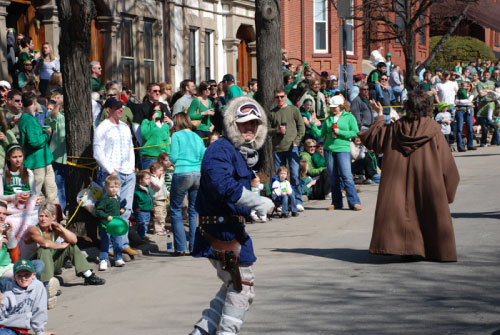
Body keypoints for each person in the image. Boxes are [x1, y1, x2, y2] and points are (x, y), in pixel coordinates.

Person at [189, 96, 274, 335]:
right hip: (220, 232)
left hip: (231, 231)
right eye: (244, 123)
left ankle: (201, 332)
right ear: (232, 124)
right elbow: (221, 184)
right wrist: (256, 201)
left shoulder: (239, 152)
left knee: (235, 285)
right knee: (241, 287)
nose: (249, 128)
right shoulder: (220, 149)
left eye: (254, 124)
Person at [360, 90, 460, 261]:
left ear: (408, 107)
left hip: (398, 183)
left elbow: (373, 140)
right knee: (427, 209)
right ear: (428, 107)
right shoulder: (434, 131)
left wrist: (379, 116)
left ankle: (405, 247)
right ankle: (431, 249)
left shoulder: (395, 129)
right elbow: (448, 168)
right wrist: (447, 193)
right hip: (428, 184)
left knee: (402, 207)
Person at [93, 97, 138, 257]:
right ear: (108, 110)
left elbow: (131, 147)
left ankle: (123, 244)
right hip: (113, 174)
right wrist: (110, 170)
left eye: (122, 107)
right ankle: (110, 246)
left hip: (128, 173)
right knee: (111, 211)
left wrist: (132, 168)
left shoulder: (125, 127)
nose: (121, 109)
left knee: (125, 211)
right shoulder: (102, 128)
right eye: (117, 107)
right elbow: (97, 152)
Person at [23, 203, 106, 284]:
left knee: (70, 245)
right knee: (44, 250)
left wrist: (61, 228)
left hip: (49, 265)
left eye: (46, 216)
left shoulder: (55, 229)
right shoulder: (34, 230)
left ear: (53, 217)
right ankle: (47, 284)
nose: (43, 219)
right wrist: (59, 246)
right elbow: (45, 244)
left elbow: (74, 240)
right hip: (32, 266)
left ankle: (88, 275)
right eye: (41, 216)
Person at [309, 95, 361, 211]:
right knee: (333, 177)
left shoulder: (349, 117)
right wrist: (312, 124)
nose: (333, 109)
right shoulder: (328, 119)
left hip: (343, 149)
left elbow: (355, 133)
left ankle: (354, 202)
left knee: (347, 176)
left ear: (341, 106)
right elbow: (320, 134)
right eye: (331, 107)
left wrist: (340, 132)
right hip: (329, 150)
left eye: (335, 107)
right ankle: (336, 203)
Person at [169, 113, 205, 255]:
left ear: (177, 123)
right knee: (194, 210)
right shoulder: (198, 137)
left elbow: (173, 157)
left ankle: (180, 247)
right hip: (197, 173)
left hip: (182, 172)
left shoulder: (176, 136)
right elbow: (203, 156)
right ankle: (194, 246)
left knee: (175, 209)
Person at [268, 89, 306, 211]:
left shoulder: (293, 110)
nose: (279, 99)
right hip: (278, 148)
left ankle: (297, 201)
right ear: (274, 98)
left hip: (292, 147)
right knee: (280, 177)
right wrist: (277, 131)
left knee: (294, 174)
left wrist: (297, 141)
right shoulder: (272, 113)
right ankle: (280, 202)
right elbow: (267, 129)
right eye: (277, 97)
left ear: (285, 96)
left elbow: (301, 127)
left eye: (282, 96)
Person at [18, 93, 58, 205]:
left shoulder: (28, 118)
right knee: (35, 197)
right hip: (36, 163)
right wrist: (47, 134)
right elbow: (33, 142)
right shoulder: (27, 119)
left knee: (52, 193)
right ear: (35, 103)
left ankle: (57, 218)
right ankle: (36, 220)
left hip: (44, 160)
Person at [0, 259, 55, 335]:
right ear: (14, 277)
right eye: (19, 275)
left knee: (39, 263)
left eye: (27, 274)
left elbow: (40, 311)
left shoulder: (38, 287)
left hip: (21, 330)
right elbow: (1, 315)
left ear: (33, 275)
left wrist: (40, 332)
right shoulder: (9, 294)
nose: (23, 278)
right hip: (5, 327)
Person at [95, 175, 126, 271]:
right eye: (111, 187)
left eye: (116, 187)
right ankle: (103, 259)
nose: (114, 189)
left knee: (118, 242)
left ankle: (118, 258)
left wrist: (122, 209)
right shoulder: (104, 198)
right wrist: (106, 216)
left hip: (116, 225)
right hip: (105, 225)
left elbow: (119, 207)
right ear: (106, 188)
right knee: (105, 243)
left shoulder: (118, 198)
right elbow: (98, 211)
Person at [45, 92, 68, 211]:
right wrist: (57, 105)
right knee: (59, 187)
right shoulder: (58, 115)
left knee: (69, 187)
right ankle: (61, 213)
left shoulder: (73, 115)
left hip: (71, 158)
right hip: (57, 158)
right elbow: (50, 119)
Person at [139, 101, 172, 170]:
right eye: (154, 110)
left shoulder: (165, 125)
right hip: (149, 158)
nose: (156, 112)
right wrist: (153, 121)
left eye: (159, 110)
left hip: (162, 159)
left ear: (162, 112)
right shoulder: (146, 122)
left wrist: (168, 158)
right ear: (151, 112)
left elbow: (167, 142)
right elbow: (145, 135)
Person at [455, 81, 476, 151]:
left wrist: (460, 101)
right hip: (460, 111)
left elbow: (469, 100)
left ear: (470, 87)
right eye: (464, 86)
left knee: (470, 129)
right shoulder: (458, 94)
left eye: (467, 86)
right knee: (459, 129)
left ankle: (470, 145)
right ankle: (460, 146)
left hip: (468, 112)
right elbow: (455, 101)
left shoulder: (471, 94)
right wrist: (466, 102)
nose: (466, 87)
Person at [132, 171, 154, 240]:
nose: (149, 180)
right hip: (141, 209)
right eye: (146, 179)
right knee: (142, 223)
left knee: (146, 222)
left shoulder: (148, 188)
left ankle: (144, 234)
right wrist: (135, 207)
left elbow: (150, 198)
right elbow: (134, 200)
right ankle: (141, 235)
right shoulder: (137, 189)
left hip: (148, 209)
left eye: (149, 178)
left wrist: (151, 206)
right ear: (140, 180)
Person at [149, 162, 168, 235]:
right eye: (160, 170)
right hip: (157, 199)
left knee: (163, 214)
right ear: (154, 171)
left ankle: (162, 228)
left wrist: (167, 192)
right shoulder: (152, 178)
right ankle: (157, 230)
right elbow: (159, 186)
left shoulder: (160, 178)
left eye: (162, 170)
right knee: (158, 214)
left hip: (163, 198)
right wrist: (162, 178)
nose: (162, 172)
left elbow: (163, 186)